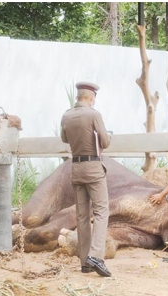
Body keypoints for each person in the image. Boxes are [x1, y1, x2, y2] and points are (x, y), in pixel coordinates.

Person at [61, 81, 112, 277]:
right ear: (91, 98)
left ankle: (85, 263)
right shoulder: (94, 114)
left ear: (77, 97)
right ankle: (96, 256)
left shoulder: (66, 115)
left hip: (76, 168)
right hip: (93, 168)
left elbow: (64, 139)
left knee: (82, 215)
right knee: (101, 212)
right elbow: (105, 141)